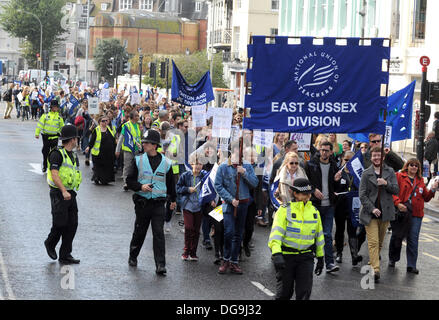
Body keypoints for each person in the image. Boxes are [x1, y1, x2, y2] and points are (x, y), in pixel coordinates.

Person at [126, 129, 177, 276]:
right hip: (142, 203)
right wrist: (140, 187)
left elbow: (171, 184)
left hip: (158, 204)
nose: (144, 145)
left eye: (147, 143)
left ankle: (160, 264)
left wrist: (173, 200)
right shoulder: (138, 160)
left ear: (155, 145)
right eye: (143, 142)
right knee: (140, 232)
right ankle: (133, 256)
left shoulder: (167, 163)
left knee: (158, 234)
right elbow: (129, 181)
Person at [268, 178, 325, 300]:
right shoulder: (284, 211)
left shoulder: (314, 212)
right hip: (286, 258)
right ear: (294, 193)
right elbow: (276, 235)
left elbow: (319, 237)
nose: (307, 196)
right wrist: (277, 254)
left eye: (309, 193)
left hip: (306, 258)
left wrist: (320, 257)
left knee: (304, 293)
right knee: (284, 294)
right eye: (304, 193)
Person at [214, 142, 259, 275]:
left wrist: (244, 173)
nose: (241, 155)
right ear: (232, 152)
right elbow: (218, 185)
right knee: (229, 232)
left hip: (243, 204)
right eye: (239, 152)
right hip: (229, 204)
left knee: (239, 233)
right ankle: (225, 259)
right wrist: (230, 199)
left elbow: (254, 183)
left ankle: (234, 261)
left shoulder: (247, 166)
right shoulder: (223, 167)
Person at [389, 159, 438, 274]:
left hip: (416, 214)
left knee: (413, 239)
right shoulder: (399, 176)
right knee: (397, 236)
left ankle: (411, 265)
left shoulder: (420, 180)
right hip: (401, 213)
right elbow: (392, 192)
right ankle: (393, 259)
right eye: (412, 165)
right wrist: (398, 203)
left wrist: (433, 189)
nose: (414, 167)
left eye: (416, 166)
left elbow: (426, 197)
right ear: (407, 166)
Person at [359, 146, 399, 282]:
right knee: (373, 242)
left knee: (380, 242)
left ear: (383, 157)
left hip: (385, 212)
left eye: (379, 155)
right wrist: (372, 208)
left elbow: (396, 190)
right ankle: (376, 269)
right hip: (370, 214)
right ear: (371, 157)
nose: (376, 158)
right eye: (374, 156)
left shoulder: (390, 171)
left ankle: (372, 262)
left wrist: (386, 183)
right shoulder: (366, 173)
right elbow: (362, 195)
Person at [44, 124, 82, 264]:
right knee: (60, 223)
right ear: (72, 139)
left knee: (72, 224)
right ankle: (50, 243)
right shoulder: (56, 154)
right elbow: (54, 174)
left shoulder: (72, 155)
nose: (77, 140)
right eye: (76, 138)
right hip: (59, 193)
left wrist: (70, 191)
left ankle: (65, 254)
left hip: (71, 193)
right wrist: (64, 191)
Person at [333, 151, 365, 266]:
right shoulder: (338, 171)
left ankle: (354, 255)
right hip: (340, 206)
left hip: (353, 206)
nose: (348, 162)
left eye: (351, 160)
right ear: (342, 159)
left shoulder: (358, 173)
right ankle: (339, 253)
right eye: (346, 160)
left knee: (352, 230)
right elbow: (333, 188)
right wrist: (335, 180)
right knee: (340, 230)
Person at [176, 154, 208, 261]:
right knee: (189, 228)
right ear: (191, 164)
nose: (198, 166)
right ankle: (186, 250)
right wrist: (187, 189)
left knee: (196, 230)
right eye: (196, 164)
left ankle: (193, 252)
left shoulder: (204, 177)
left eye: (200, 164)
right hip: (187, 205)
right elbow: (178, 188)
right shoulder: (185, 176)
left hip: (199, 206)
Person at [35, 100, 65, 173]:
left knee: (53, 153)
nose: (56, 108)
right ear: (51, 107)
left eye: (57, 107)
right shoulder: (45, 115)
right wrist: (37, 133)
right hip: (46, 137)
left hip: (55, 137)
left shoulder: (59, 117)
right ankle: (45, 165)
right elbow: (40, 125)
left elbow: (62, 127)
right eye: (55, 107)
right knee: (45, 152)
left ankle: (51, 167)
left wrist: (63, 136)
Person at [86, 115, 116, 185]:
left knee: (107, 166)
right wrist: (88, 147)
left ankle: (106, 180)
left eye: (106, 121)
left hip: (108, 153)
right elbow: (92, 140)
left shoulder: (109, 128)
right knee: (99, 167)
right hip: (99, 153)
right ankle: (97, 178)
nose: (105, 122)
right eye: (103, 121)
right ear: (99, 122)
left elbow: (113, 139)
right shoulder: (97, 130)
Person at [116, 110, 142, 191]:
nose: (138, 117)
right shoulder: (126, 125)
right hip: (128, 150)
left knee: (136, 166)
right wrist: (117, 149)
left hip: (137, 149)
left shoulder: (137, 125)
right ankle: (126, 183)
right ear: (133, 117)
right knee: (127, 166)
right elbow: (121, 138)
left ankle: (134, 182)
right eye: (137, 116)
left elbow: (138, 137)